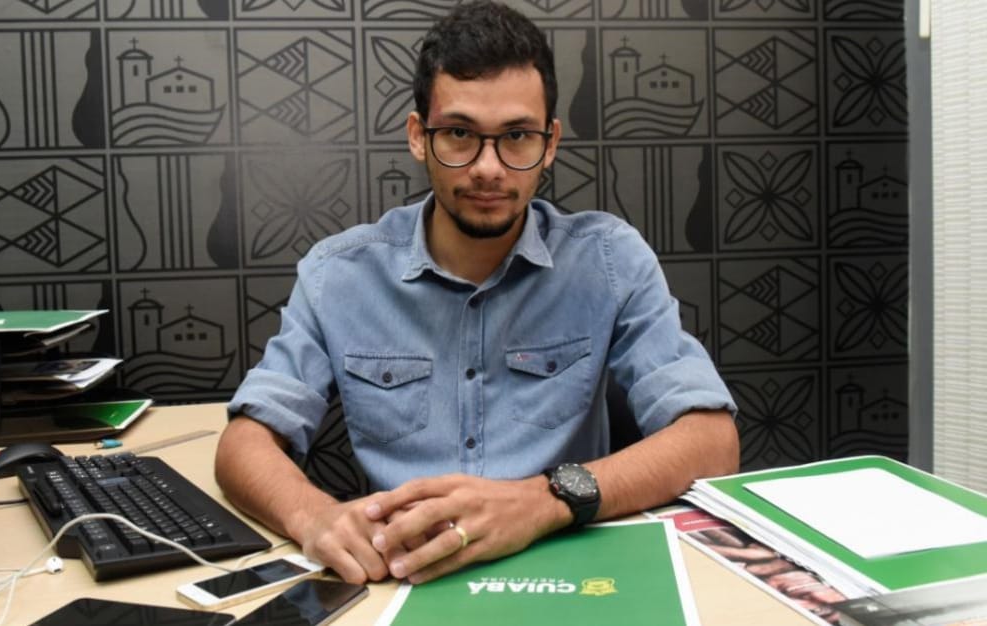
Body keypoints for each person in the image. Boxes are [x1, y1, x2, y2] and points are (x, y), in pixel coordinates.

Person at [216, 0, 738, 586]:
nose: (488, 167)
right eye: (460, 134)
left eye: (516, 136)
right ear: (419, 137)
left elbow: (711, 440)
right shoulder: (337, 275)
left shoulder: (610, 261)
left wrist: (541, 502)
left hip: (569, 571)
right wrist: (314, 517)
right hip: (400, 578)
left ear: (550, 142)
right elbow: (244, 443)